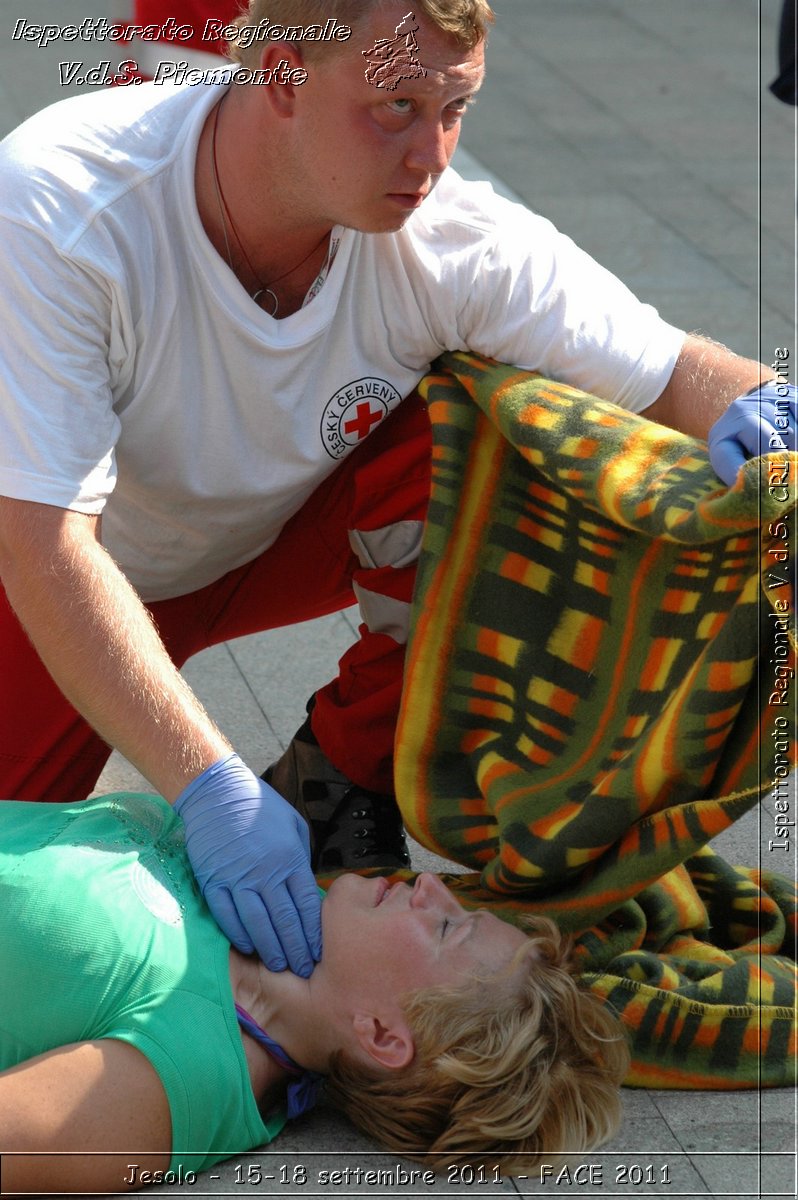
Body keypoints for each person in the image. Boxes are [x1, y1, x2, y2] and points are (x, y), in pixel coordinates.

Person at [0, 0, 792, 980]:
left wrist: (781, 417)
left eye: (456, 108)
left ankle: (335, 779)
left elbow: (680, 373)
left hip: (268, 543)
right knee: (13, 915)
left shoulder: (447, 229)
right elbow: (45, 548)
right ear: (283, 77)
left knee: (520, 437)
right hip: (49, 578)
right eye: (397, 107)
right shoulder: (63, 201)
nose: (433, 155)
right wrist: (205, 784)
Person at [0, 791, 629, 1195]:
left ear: (382, 1034)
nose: (433, 888)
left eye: (445, 927)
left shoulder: (195, 1074)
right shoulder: (263, 889)